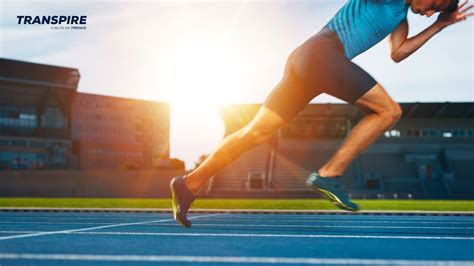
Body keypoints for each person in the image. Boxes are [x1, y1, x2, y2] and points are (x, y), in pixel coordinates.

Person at [170, 0, 473, 228]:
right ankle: (328, 174)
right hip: (322, 54)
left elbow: (398, 53)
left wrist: (440, 25)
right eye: (434, 5)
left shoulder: (400, 19)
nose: (430, 13)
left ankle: (190, 182)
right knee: (388, 111)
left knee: (256, 132)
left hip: (309, 60)